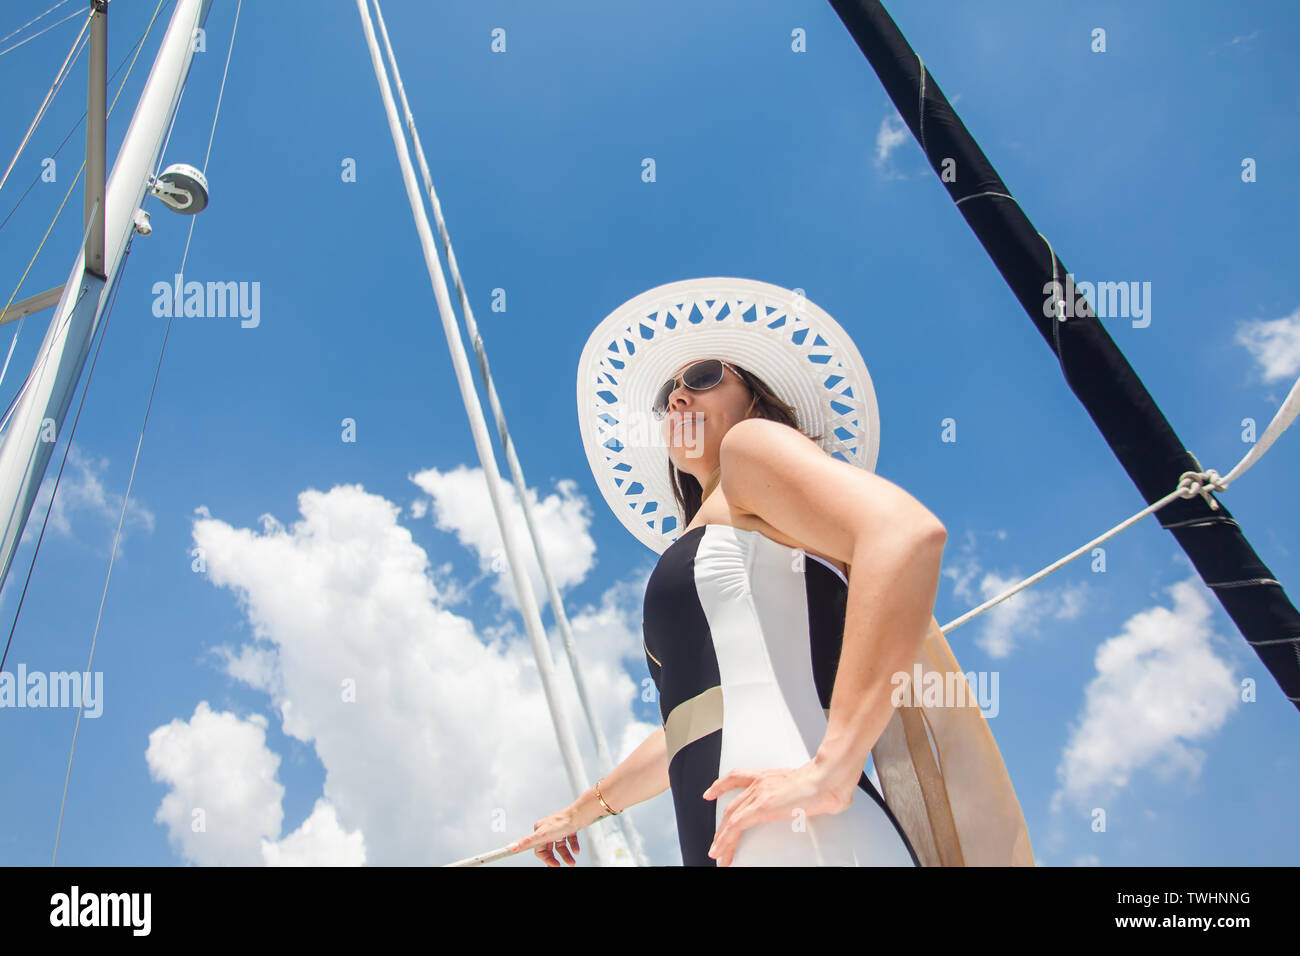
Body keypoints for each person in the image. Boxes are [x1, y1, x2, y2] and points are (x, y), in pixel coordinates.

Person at [508, 277, 1034, 866]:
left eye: (703, 376)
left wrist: (833, 769)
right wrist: (579, 812)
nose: (678, 397)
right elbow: (696, 720)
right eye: (666, 393)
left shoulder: (750, 449)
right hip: (736, 833)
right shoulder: (709, 531)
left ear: (754, 400)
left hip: (800, 831)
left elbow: (905, 534)